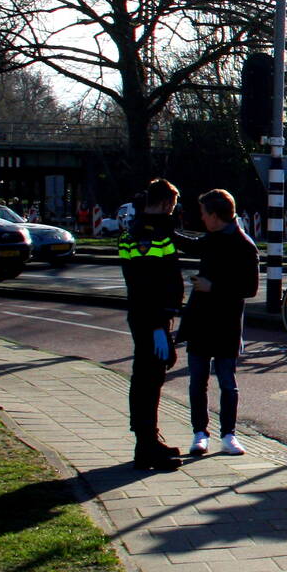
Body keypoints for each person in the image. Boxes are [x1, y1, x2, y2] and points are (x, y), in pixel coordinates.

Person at [180, 189, 260, 457]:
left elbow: (249, 288)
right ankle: (200, 433)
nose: (201, 218)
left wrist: (212, 286)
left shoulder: (245, 246)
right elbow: (191, 245)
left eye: (204, 213)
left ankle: (229, 435)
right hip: (201, 321)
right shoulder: (212, 238)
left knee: (227, 382)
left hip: (225, 323)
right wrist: (163, 228)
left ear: (214, 216)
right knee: (197, 381)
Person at [118, 180, 185, 472]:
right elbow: (147, 283)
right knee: (147, 379)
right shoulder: (147, 235)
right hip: (150, 318)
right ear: (164, 203)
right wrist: (158, 325)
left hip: (148, 316)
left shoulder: (142, 230)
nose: (173, 210)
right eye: (171, 205)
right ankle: (145, 445)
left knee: (149, 377)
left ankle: (148, 440)